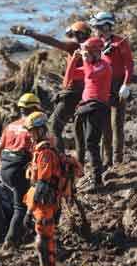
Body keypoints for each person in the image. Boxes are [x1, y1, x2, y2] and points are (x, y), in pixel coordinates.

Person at [11, 21, 92, 163]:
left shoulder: (75, 47)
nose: (70, 37)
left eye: (72, 34)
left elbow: (53, 42)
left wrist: (29, 33)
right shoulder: (91, 47)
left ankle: (60, 161)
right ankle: (80, 163)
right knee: (79, 130)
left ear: (77, 35)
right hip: (85, 93)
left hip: (72, 95)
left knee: (54, 127)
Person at [20, 112, 64, 266]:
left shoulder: (45, 153)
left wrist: (29, 212)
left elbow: (43, 185)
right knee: (45, 242)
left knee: (43, 244)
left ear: (39, 130)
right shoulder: (41, 149)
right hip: (43, 206)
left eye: (31, 131)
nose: (29, 135)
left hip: (44, 206)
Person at [89, 11, 134, 168]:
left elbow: (129, 65)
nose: (95, 31)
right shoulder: (96, 44)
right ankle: (107, 160)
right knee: (105, 125)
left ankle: (118, 159)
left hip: (118, 86)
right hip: (103, 88)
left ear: (106, 26)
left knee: (117, 124)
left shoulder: (121, 42)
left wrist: (126, 84)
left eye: (97, 27)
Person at [0, 93, 43, 249]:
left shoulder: (10, 126)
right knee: (21, 207)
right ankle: (10, 241)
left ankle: (23, 230)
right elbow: (37, 153)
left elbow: (0, 147)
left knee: (19, 199)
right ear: (35, 108)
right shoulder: (32, 128)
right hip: (19, 170)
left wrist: (2, 166)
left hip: (6, 169)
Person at [74, 36, 112, 191]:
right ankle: (83, 172)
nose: (86, 55)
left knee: (92, 143)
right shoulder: (91, 64)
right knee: (82, 140)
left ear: (96, 53)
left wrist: (84, 60)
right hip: (86, 106)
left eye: (88, 52)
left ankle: (97, 180)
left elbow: (89, 74)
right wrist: (74, 60)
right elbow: (70, 76)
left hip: (98, 106)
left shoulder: (104, 65)